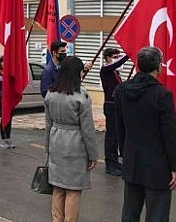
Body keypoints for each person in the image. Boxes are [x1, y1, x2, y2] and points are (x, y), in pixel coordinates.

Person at [116, 46, 176, 222]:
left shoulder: (122, 90)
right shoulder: (162, 95)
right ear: (158, 66)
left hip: (132, 159)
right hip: (157, 163)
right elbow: (169, 133)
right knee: (157, 214)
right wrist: (174, 166)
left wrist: (124, 152)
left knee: (130, 212)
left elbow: (119, 127)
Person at [45, 56, 98, 222]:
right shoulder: (81, 96)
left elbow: (47, 124)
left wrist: (48, 148)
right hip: (75, 144)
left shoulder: (50, 93)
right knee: (73, 190)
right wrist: (93, 155)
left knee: (58, 187)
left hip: (55, 139)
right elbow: (87, 129)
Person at [99, 48, 129, 176]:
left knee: (117, 135)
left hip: (118, 106)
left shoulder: (115, 73)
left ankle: (115, 161)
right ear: (107, 58)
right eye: (115, 57)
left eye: (118, 56)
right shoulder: (106, 70)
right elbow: (117, 63)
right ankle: (110, 164)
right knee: (112, 136)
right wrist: (128, 54)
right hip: (110, 106)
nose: (117, 59)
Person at [0, 56, 15, 149]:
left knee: (10, 119)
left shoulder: (9, 73)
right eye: (3, 62)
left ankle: (8, 138)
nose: (4, 64)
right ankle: (3, 139)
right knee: (4, 119)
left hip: (10, 98)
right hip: (2, 99)